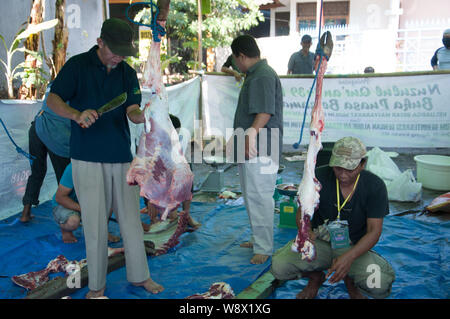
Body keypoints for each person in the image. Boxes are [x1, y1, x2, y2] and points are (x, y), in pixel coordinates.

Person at [46, 18, 163, 298]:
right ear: (100, 42)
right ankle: (97, 288)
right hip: (86, 157)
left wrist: (143, 115)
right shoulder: (77, 66)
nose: (119, 57)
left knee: (131, 220)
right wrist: (76, 114)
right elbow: (53, 99)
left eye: (124, 52)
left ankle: (140, 276)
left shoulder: (126, 72)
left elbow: (132, 110)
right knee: (96, 222)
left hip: (121, 155)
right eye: (115, 51)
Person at [270, 137, 395, 299]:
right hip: (319, 243)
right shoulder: (318, 177)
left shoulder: (374, 186)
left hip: (353, 247)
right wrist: (305, 231)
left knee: (379, 283)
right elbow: (302, 211)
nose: (343, 174)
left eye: (349, 169)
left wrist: (348, 258)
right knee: (280, 266)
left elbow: (374, 231)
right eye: (338, 167)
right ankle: (315, 278)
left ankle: (351, 283)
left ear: (362, 164)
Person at [227, 35, 283, 265]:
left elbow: (264, 113)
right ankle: (258, 238)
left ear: (241, 55)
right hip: (252, 145)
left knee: (260, 197)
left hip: (261, 147)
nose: (235, 65)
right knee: (251, 195)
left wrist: (250, 133)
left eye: (235, 59)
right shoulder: (256, 75)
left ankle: (264, 247)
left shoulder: (262, 75)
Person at [20, 83, 71, 222]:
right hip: (57, 132)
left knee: (37, 171)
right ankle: (67, 217)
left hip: (38, 126)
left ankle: (26, 212)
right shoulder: (80, 85)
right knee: (65, 178)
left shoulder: (54, 82)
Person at [53, 163, 120, 244]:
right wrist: (85, 209)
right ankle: (66, 231)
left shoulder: (108, 167)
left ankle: (102, 232)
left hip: (88, 203)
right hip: (67, 205)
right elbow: (60, 197)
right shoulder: (74, 167)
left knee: (110, 201)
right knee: (72, 222)